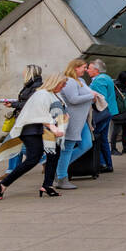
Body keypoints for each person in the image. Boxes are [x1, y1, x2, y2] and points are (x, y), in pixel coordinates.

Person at [0, 74, 68, 199]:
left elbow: (57, 110)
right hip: (30, 129)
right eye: (62, 84)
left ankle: (47, 185)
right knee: (33, 159)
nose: (64, 87)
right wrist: (54, 128)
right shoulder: (42, 94)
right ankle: (2, 184)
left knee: (54, 153)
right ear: (55, 82)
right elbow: (39, 114)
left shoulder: (52, 94)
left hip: (41, 130)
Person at [54, 59, 95, 189]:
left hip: (80, 121)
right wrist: (91, 96)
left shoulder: (80, 81)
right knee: (68, 148)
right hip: (72, 120)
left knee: (86, 144)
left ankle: (57, 168)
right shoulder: (70, 81)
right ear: (75, 68)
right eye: (84, 67)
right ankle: (61, 177)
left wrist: (92, 96)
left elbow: (89, 95)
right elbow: (73, 99)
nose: (85, 69)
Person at [87, 59, 117, 173]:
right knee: (103, 138)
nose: (87, 70)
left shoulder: (98, 81)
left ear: (96, 70)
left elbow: (100, 99)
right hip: (108, 112)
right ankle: (108, 164)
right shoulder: (107, 78)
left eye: (89, 68)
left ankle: (102, 163)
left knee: (96, 137)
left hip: (102, 113)